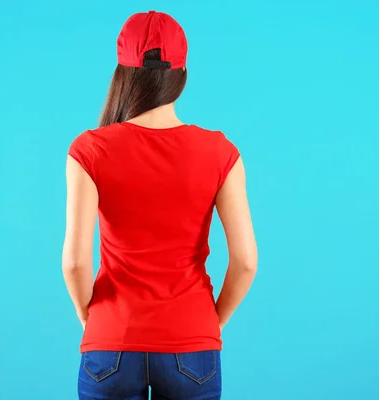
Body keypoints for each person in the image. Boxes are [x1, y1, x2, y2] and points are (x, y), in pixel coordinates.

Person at [62, 10, 258, 400]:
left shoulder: (89, 149)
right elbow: (246, 262)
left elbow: (75, 263)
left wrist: (91, 317)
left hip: (112, 340)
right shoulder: (221, 152)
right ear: (181, 76)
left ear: (123, 74)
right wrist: (207, 324)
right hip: (192, 345)